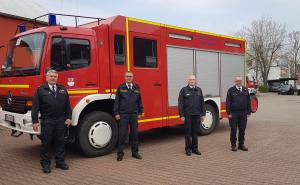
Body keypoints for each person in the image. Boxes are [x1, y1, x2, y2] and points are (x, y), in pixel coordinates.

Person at [31, 69, 72, 173]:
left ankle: (60, 162)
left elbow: (67, 105)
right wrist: (35, 121)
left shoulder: (62, 89)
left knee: (60, 142)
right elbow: (35, 107)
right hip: (47, 121)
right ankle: (45, 164)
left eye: (55, 76)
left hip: (60, 120)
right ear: (47, 78)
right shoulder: (40, 90)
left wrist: (68, 117)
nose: (53, 78)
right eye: (51, 76)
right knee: (46, 143)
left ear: (57, 78)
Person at [114, 71, 144, 161]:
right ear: (124, 77)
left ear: (133, 77)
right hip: (123, 114)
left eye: (130, 76)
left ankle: (135, 153)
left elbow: (139, 101)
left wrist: (140, 112)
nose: (129, 78)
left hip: (134, 114)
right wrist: (116, 113)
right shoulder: (120, 87)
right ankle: (120, 154)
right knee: (122, 134)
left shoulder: (136, 87)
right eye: (127, 76)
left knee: (135, 134)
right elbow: (117, 101)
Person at [178, 75, 205, 156]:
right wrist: (182, 115)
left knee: (195, 132)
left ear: (195, 80)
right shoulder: (184, 90)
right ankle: (188, 149)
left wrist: (203, 114)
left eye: (193, 79)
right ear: (188, 81)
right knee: (188, 132)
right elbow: (180, 103)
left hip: (197, 114)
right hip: (188, 115)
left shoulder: (199, 90)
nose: (192, 81)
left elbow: (202, 103)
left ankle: (195, 148)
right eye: (190, 79)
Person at [226, 76, 251, 152]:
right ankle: (233, 145)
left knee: (242, 129)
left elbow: (248, 101)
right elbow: (228, 102)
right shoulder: (231, 90)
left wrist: (248, 112)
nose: (239, 82)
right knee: (233, 129)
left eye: (240, 81)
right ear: (235, 81)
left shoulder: (245, 90)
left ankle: (241, 144)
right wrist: (229, 113)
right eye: (237, 81)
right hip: (233, 113)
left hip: (243, 113)